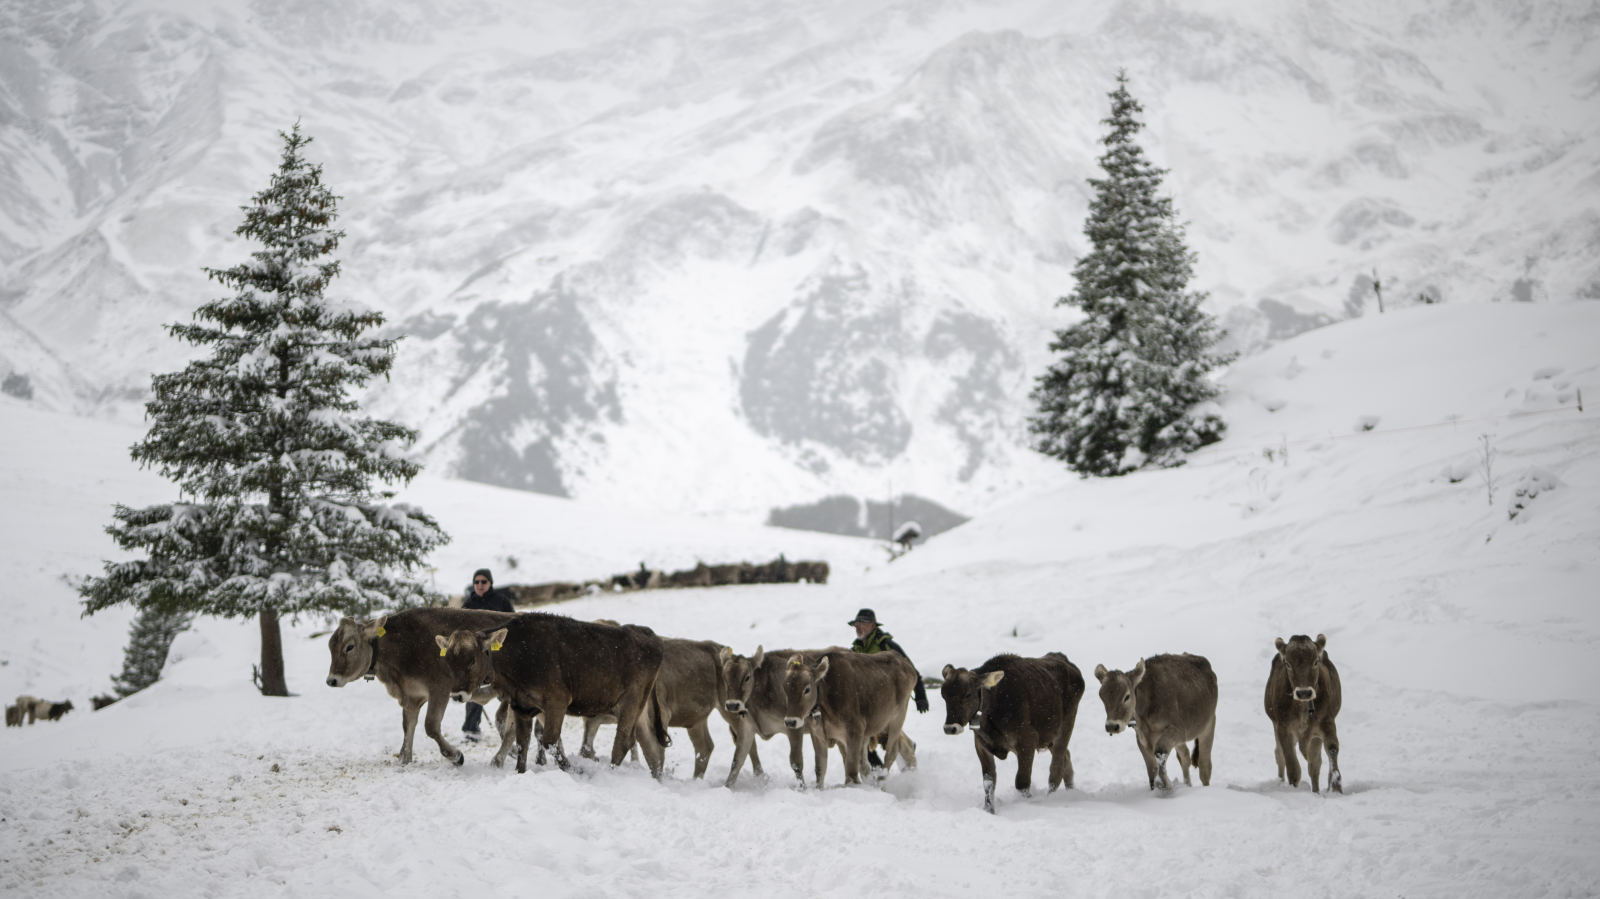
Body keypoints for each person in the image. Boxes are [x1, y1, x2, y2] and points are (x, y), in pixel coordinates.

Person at [847, 608, 929, 768]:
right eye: (856, 625)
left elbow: (910, 669)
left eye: (862, 624)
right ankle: (883, 769)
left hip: (888, 699)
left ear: (872, 626)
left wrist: (920, 695)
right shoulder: (855, 650)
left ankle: (901, 767)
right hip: (866, 701)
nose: (858, 627)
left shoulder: (887, 645)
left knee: (884, 734)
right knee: (864, 735)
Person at [460, 568, 516, 742]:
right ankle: (471, 730)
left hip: (499, 654)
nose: (480, 585)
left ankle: (513, 724)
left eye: (483, 581)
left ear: (490, 583)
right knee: (474, 689)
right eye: (476, 582)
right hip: (477, 657)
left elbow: (513, 624)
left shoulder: (501, 601)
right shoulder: (468, 605)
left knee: (505, 691)